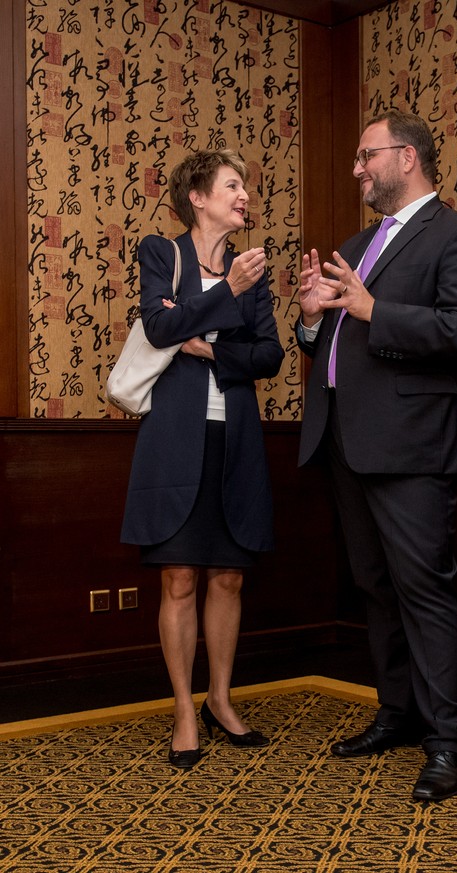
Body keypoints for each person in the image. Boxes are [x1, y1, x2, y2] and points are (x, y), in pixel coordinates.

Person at [296, 108, 457, 801]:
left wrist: (373, 310)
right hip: (345, 441)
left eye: (365, 156)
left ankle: (449, 740)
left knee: (423, 590)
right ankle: (398, 711)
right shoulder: (357, 244)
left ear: (407, 157)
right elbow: (328, 342)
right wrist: (311, 319)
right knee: (374, 587)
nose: (357, 169)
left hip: (413, 445)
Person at [121, 149, 284, 769]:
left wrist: (211, 349)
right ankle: (184, 709)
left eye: (246, 188)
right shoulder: (163, 253)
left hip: (236, 437)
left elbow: (266, 356)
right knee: (180, 576)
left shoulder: (252, 269)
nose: (244, 197)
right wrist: (225, 298)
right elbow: (161, 332)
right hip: (175, 436)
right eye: (233, 186)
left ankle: (219, 698)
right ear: (198, 195)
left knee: (227, 574)